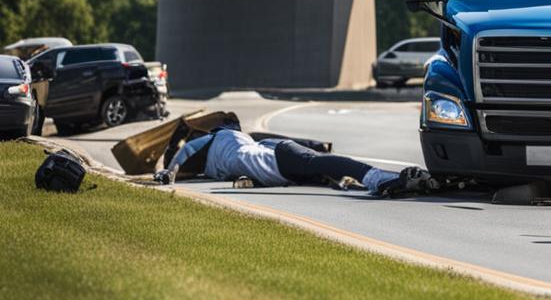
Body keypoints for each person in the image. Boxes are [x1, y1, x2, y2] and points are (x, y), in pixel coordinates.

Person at [155, 126, 436, 197]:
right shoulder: (213, 169)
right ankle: (392, 184)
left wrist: (169, 173)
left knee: (324, 164)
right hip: (282, 164)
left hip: (280, 158)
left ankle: (380, 178)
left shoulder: (216, 137)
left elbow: (184, 151)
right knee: (326, 176)